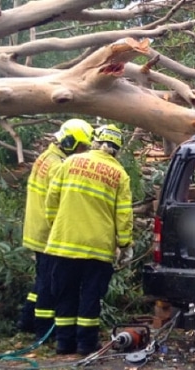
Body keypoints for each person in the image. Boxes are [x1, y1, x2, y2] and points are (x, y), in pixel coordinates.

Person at [44, 124, 133, 355]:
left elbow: (52, 197)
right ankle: (85, 344)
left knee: (65, 293)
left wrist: (56, 225)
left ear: (95, 141)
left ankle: (64, 343)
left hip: (64, 244)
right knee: (91, 297)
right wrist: (125, 244)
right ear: (117, 149)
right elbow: (123, 214)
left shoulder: (70, 162)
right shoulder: (120, 174)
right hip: (98, 248)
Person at [22, 118, 94, 338]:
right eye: (82, 147)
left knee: (42, 279)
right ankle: (43, 330)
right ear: (70, 142)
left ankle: (26, 320)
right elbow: (62, 204)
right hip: (48, 234)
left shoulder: (46, 157)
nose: (83, 151)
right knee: (48, 284)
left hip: (37, 229)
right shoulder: (58, 166)